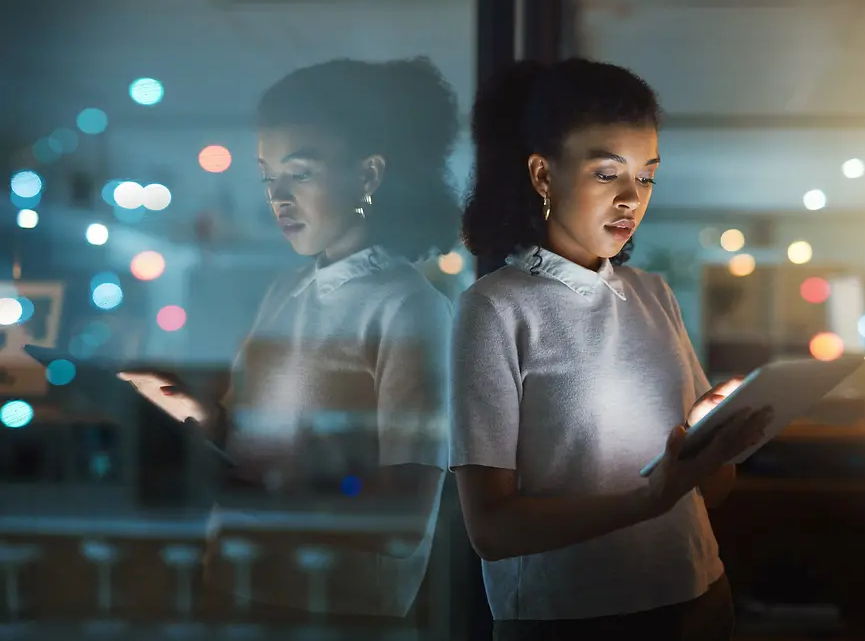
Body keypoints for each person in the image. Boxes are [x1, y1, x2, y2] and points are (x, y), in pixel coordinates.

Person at [450, 58, 772, 641]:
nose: (631, 199)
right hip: (570, 619)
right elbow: (491, 531)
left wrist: (721, 445)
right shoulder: (494, 309)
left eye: (646, 176)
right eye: (607, 174)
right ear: (543, 176)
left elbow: (713, 489)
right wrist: (650, 498)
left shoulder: (653, 293)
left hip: (699, 597)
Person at [146, 57, 459, 632]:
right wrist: (172, 405)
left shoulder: (408, 308)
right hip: (237, 588)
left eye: (302, 173)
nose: (279, 198)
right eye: (269, 177)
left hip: (335, 613)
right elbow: (239, 437)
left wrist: (250, 481)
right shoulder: (285, 291)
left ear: (369, 176)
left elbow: (404, 517)